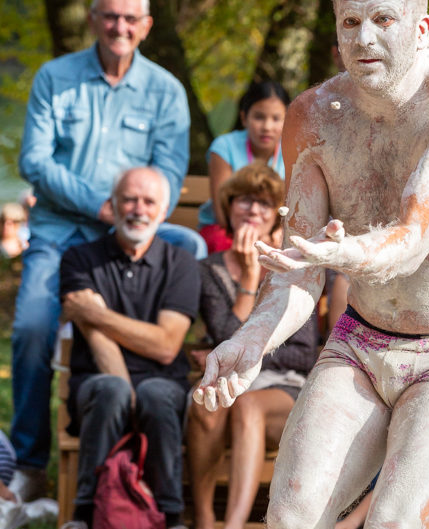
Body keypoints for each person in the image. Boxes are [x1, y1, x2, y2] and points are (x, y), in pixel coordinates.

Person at [195, 0, 429, 526]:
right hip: (361, 338)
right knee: (290, 516)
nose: (364, 38)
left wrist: (344, 253)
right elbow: (300, 268)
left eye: (383, 19)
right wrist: (252, 339)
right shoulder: (313, 115)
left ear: (421, 26)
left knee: (394, 519)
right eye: (350, 22)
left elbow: (408, 242)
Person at [10, 0, 204, 502]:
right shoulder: (56, 77)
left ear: (146, 26)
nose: (120, 26)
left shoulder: (166, 90)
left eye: (130, 18)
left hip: (130, 230)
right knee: (32, 325)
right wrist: (98, 206)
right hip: (60, 230)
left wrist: (127, 212)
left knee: (193, 245)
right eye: (110, 15)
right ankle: (30, 464)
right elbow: (34, 159)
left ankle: (190, 372)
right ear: (94, 18)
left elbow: (170, 172)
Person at [58, 167, 200, 529]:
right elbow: (97, 338)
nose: (138, 208)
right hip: (98, 380)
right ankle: (84, 516)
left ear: (163, 211)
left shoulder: (181, 263)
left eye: (148, 201)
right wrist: (127, 393)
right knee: (112, 389)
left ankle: (171, 517)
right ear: (113, 204)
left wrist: (94, 311)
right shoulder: (79, 259)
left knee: (155, 392)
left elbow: (167, 346)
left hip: (162, 385)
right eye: (129, 199)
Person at [187, 163, 319, 529]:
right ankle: (202, 518)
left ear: (277, 218)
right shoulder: (208, 270)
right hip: (226, 379)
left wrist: (255, 274)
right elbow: (227, 340)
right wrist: (247, 278)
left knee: (247, 406)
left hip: (283, 384)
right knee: (204, 405)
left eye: (264, 203)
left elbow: (305, 353)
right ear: (229, 208)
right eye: (245, 200)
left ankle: (232, 526)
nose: (253, 210)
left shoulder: (293, 269)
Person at [198, 81, 290, 254]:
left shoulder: (293, 152)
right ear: (243, 118)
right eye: (259, 117)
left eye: (276, 118)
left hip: (273, 232)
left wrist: (275, 234)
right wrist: (255, 238)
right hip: (227, 230)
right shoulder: (224, 147)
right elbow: (222, 214)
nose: (267, 127)